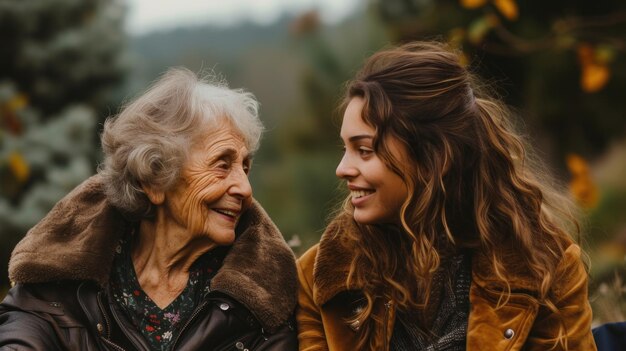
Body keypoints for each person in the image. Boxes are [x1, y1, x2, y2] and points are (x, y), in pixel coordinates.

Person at [296, 41, 596, 350]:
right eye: (345, 149)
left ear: (433, 157)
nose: (342, 168)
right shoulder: (322, 277)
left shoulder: (544, 266)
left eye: (364, 150)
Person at [0, 68, 298, 350]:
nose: (245, 188)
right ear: (155, 179)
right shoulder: (62, 273)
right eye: (222, 165)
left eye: (245, 168)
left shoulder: (261, 302)